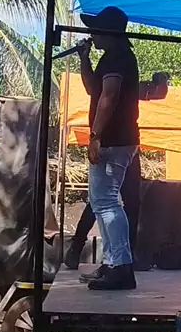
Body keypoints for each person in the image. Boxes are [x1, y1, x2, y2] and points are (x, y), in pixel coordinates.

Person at [64, 74, 169, 271]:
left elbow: (158, 93)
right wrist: (162, 80)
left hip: (124, 144)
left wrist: (161, 81)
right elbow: (158, 93)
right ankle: (80, 247)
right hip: (116, 143)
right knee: (105, 200)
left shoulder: (126, 86)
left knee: (113, 200)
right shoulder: (120, 85)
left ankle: (88, 250)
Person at [77, 5, 141, 291]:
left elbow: (109, 97)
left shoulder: (118, 57)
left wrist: (96, 135)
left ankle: (122, 266)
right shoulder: (112, 57)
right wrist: (84, 59)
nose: (92, 35)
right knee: (100, 201)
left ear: (109, 32)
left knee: (107, 202)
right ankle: (113, 262)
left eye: (96, 30)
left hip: (114, 140)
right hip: (113, 139)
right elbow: (94, 90)